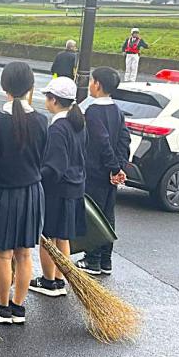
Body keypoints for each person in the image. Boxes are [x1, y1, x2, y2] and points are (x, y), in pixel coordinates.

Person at [0, 62, 48, 325]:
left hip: (4, 195)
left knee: (3, 254)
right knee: (24, 254)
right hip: (32, 193)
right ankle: (19, 308)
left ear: (3, 86)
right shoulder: (41, 121)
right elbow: (42, 159)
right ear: (30, 87)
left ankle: (2, 307)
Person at [29, 77, 86, 297]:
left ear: (54, 100)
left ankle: (48, 280)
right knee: (63, 237)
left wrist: (36, 177)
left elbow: (55, 167)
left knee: (47, 238)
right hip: (74, 187)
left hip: (57, 190)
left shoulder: (58, 128)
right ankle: (60, 279)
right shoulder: (78, 124)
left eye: (47, 97)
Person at [76, 67, 130, 276]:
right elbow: (124, 139)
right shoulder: (117, 110)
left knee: (94, 216)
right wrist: (119, 167)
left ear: (97, 84)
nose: (90, 84)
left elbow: (102, 141)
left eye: (91, 81)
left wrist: (113, 167)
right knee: (108, 215)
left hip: (96, 172)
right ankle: (106, 259)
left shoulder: (93, 112)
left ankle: (93, 259)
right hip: (110, 175)